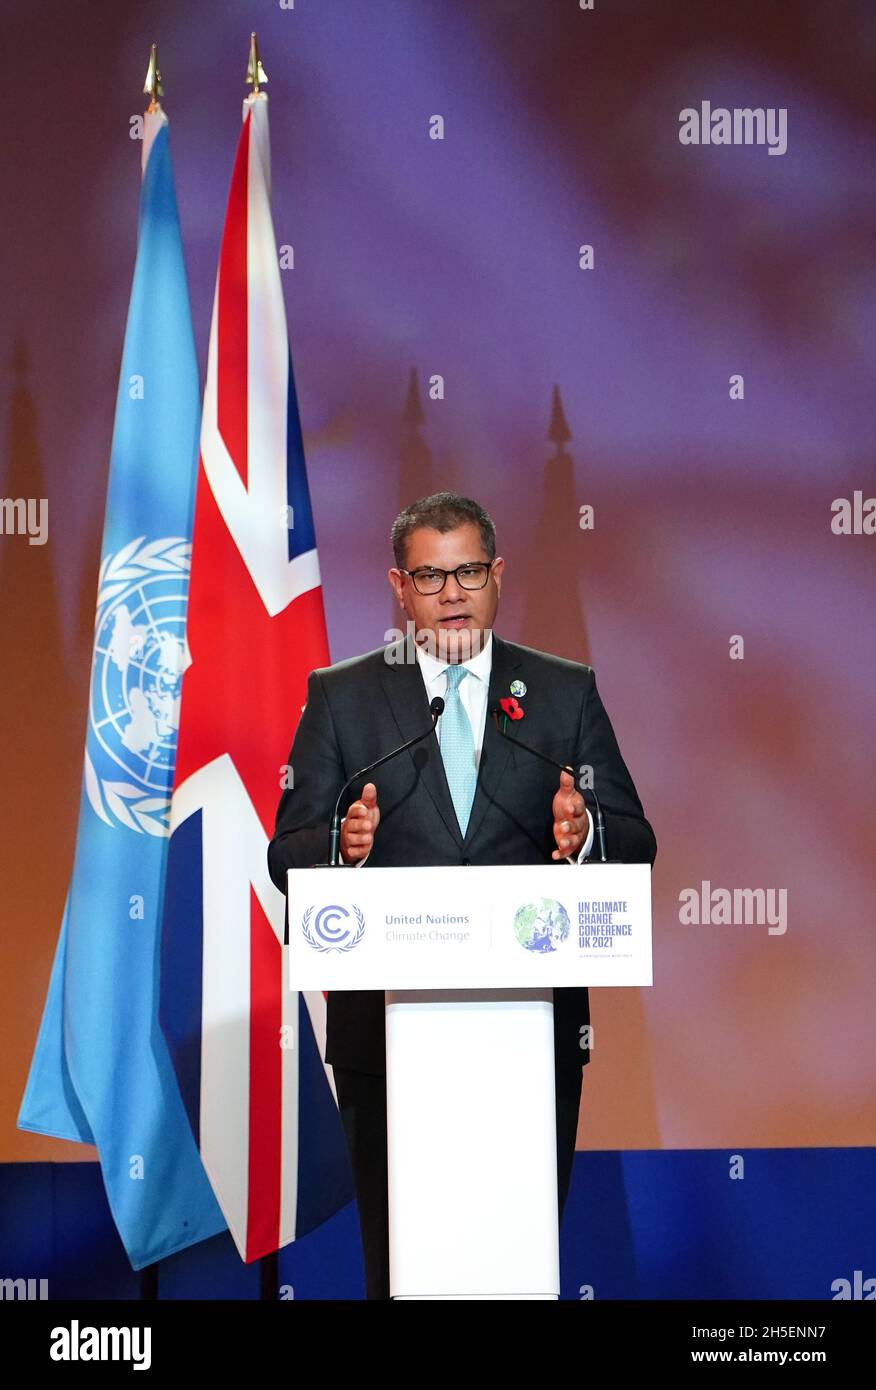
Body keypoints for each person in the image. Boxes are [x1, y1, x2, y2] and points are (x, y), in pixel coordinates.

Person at [267, 491, 656, 1299]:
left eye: (469, 571)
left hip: (533, 1031)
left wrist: (581, 834)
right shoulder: (344, 697)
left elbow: (636, 835)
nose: (452, 593)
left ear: (498, 575)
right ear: (398, 588)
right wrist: (343, 843)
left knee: (516, 1257)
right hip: (383, 1033)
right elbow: (287, 849)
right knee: (402, 1263)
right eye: (431, 576)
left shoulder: (561, 690)